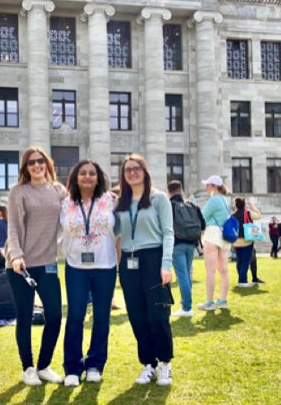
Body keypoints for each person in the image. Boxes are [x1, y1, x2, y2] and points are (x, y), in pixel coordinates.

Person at [7, 146, 67, 386]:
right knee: (24, 317)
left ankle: (43, 365)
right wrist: (16, 255)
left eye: (40, 161)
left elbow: (74, 212)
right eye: (31, 162)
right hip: (21, 265)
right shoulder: (18, 192)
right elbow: (12, 225)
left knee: (54, 316)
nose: (36, 165)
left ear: (47, 163)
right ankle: (28, 367)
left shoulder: (58, 190)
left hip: (48, 263)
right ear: (25, 167)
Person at [113, 154, 174, 387]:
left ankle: (165, 364)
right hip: (129, 261)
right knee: (137, 316)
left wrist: (166, 264)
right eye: (127, 169)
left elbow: (168, 232)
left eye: (136, 168)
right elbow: (115, 230)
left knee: (158, 316)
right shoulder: (121, 203)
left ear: (145, 171)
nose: (132, 172)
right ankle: (148, 364)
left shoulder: (159, 199)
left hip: (154, 258)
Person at [61, 159, 117, 387]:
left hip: (105, 266)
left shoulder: (110, 201)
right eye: (82, 173)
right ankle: (72, 367)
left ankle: (95, 364)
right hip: (76, 267)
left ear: (98, 178)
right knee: (75, 317)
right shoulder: (65, 203)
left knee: (102, 318)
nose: (87, 177)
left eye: (92, 173)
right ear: (75, 177)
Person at [167, 181, 204, 318]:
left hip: (177, 244)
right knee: (187, 275)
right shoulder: (193, 206)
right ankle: (187, 305)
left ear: (168, 192)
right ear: (181, 190)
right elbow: (203, 224)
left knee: (182, 276)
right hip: (192, 243)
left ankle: (187, 308)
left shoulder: (169, 205)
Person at [198, 175, 231, 311]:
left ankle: (209, 302)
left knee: (210, 270)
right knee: (224, 270)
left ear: (214, 186)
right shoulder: (225, 200)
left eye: (208, 184)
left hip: (213, 234)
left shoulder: (214, 200)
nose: (206, 187)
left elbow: (202, 216)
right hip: (224, 236)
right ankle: (222, 300)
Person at [232, 196, 263, 286]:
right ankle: (242, 281)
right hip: (246, 240)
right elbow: (258, 215)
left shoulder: (233, 215)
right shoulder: (248, 213)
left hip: (236, 241)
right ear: (244, 205)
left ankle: (241, 279)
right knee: (246, 261)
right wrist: (252, 206)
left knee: (240, 261)